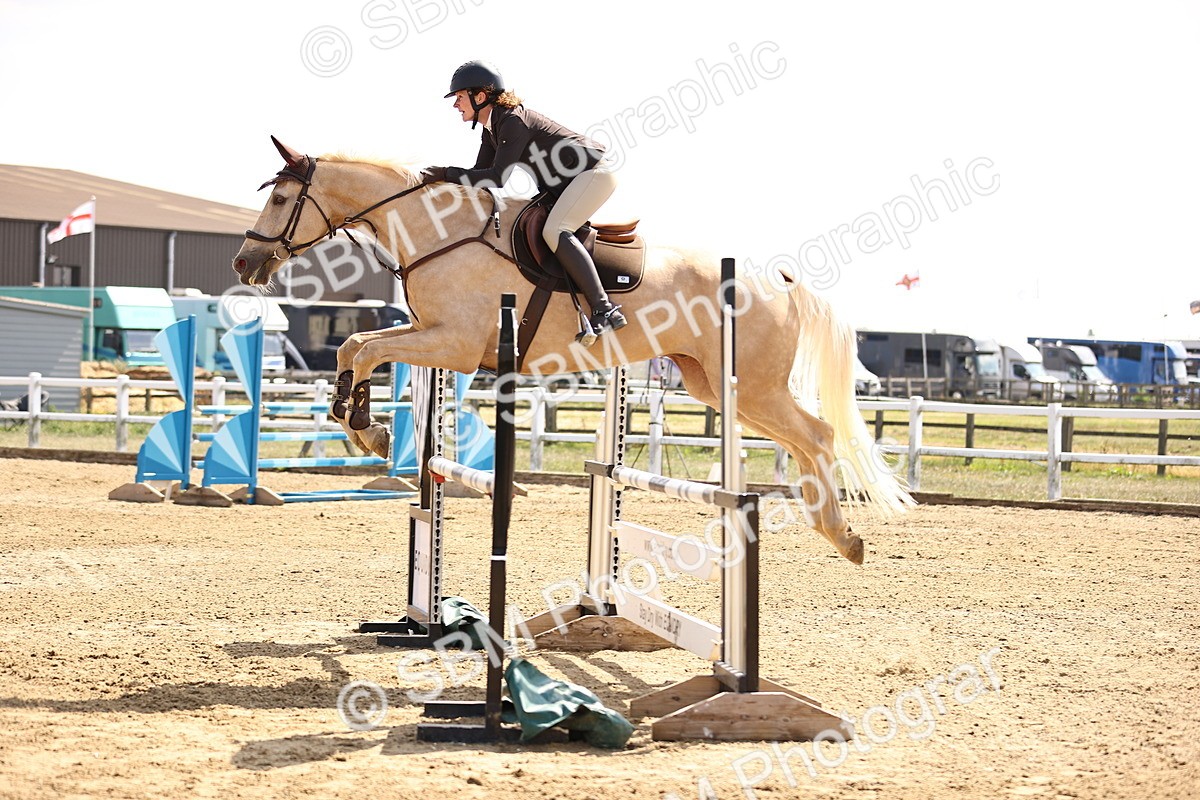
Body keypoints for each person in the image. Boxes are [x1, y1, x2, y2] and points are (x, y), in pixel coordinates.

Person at [420, 59, 627, 346]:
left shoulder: (512, 122)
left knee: (555, 230)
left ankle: (605, 307)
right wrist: (441, 190)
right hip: (566, 182)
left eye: (459, 97)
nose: (455, 105)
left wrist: (444, 173)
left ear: (480, 97)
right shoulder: (492, 127)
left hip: (594, 174)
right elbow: (479, 179)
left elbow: (496, 178)